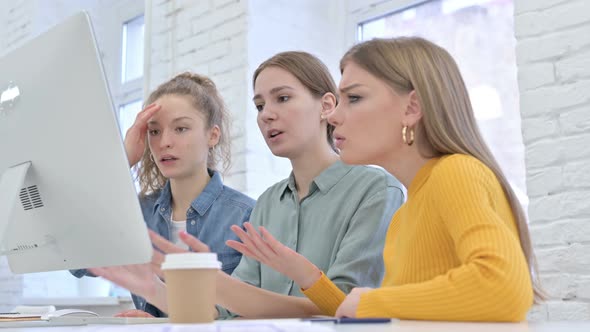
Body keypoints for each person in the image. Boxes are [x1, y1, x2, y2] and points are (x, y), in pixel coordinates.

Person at [228, 37, 543, 322]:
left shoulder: (455, 171)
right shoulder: (408, 210)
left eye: (354, 98)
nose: (335, 116)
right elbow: (374, 310)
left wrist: (369, 303)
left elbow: (502, 288)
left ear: (412, 107)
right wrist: (308, 276)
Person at [90, 51, 404, 319]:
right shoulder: (269, 202)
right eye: (259, 106)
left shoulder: (375, 190)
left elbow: (343, 308)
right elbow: (226, 312)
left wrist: (217, 286)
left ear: (326, 106)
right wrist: (155, 292)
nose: (267, 114)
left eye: (282, 98)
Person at [72, 72, 255, 317]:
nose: (164, 142)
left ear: (212, 135)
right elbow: (75, 259)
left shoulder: (246, 215)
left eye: (180, 128)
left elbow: (254, 311)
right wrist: (122, 160)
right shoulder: (138, 213)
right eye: (154, 132)